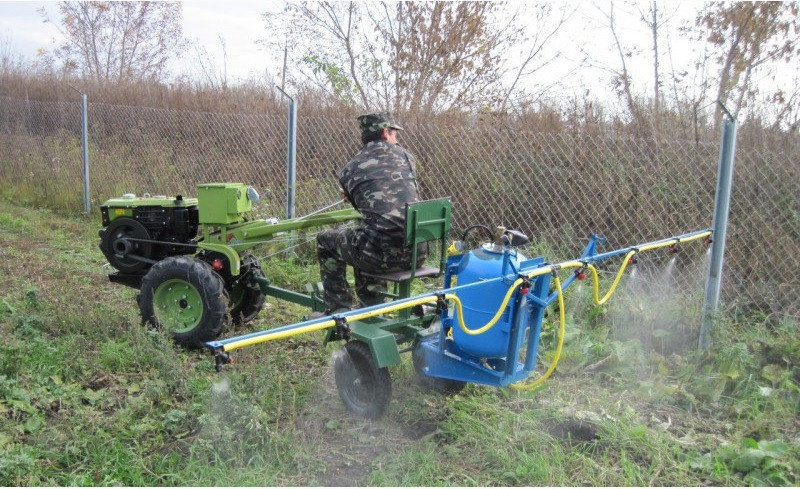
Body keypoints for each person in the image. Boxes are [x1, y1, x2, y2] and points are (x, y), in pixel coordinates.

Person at [316, 112, 426, 313]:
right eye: (395, 134)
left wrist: (351, 195)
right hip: (416, 254)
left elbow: (363, 209)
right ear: (385, 132)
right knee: (367, 236)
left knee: (326, 240)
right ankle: (372, 307)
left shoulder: (350, 168)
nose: (396, 139)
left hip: (378, 256)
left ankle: (339, 307)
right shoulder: (407, 157)